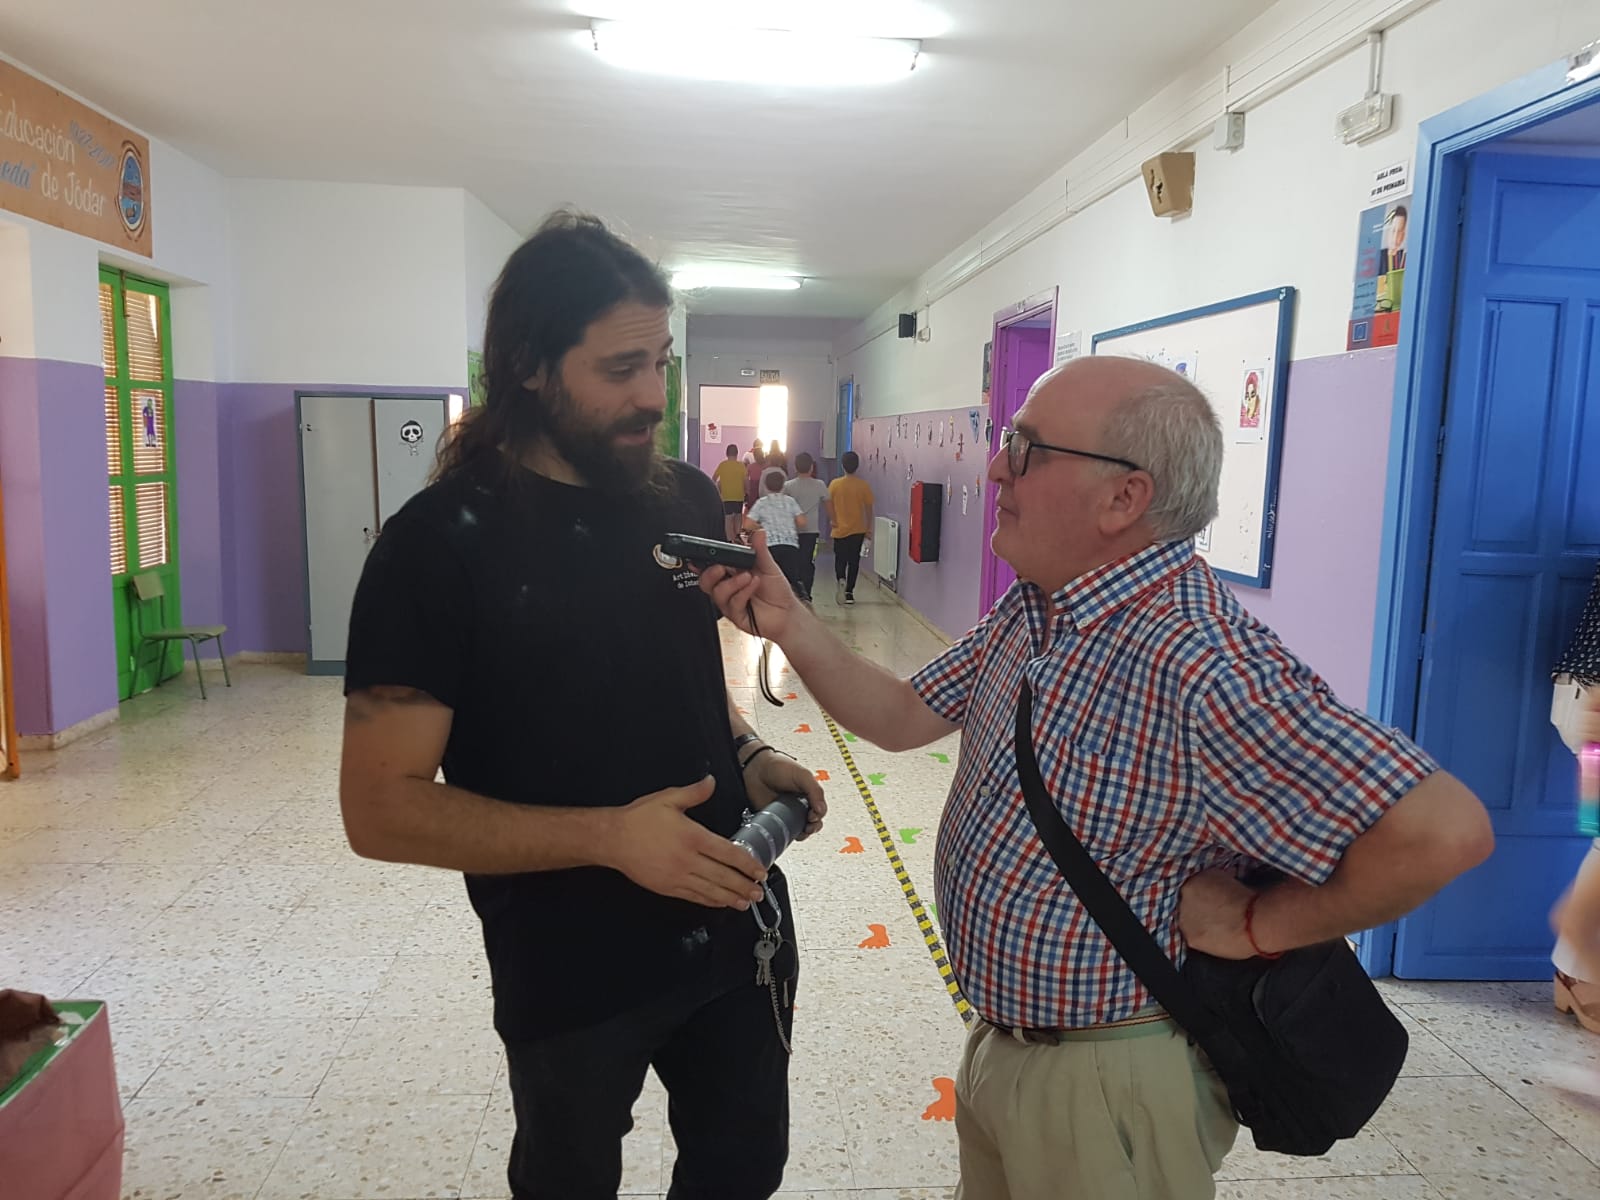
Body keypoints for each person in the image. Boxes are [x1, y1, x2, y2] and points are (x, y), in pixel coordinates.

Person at [699, 355, 1494, 1200]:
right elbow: (900, 716)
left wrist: (1268, 923)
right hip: (1010, 1048)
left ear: (1125, 498)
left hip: (1109, 1083)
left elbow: (1444, 831)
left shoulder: (1200, 663)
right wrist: (789, 622)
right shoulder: (1039, 606)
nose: (997, 465)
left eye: (1028, 448)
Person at [339, 211, 825, 1200]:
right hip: (569, 966)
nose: (653, 394)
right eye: (619, 369)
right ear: (528, 364)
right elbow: (379, 808)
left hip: (733, 926)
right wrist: (611, 838)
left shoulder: (684, 501)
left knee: (742, 1169)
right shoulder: (435, 548)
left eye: (661, 362)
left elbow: (681, 680)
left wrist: (747, 755)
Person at [746, 468, 807, 598]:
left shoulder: (761, 503)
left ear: (766, 486)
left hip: (770, 546)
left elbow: (747, 524)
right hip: (790, 545)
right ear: (783, 485)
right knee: (790, 577)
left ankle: (772, 600)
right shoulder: (790, 501)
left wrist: (762, 526)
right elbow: (802, 521)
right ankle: (799, 597)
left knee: (770, 576)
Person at [827, 450, 874, 606]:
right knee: (854, 561)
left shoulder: (835, 484)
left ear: (842, 465)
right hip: (857, 530)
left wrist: (833, 520)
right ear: (857, 466)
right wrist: (869, 529)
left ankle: (841, 578)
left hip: (839, 529)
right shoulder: (863, 486)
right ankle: (849, 592)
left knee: (840, 559)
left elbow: (829, 505)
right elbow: (868, 510)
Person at [784, 453, 830, 602]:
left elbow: (783, 507)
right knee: (808, 561)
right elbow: (828, 506)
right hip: (811, 532)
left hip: (792, 531)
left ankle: (795, 593)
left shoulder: (788, 486)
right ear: (811, 467)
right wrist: (834, 522)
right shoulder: (820, 485)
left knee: (793, 561)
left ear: (795, 467)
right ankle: (807, 593)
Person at [712, 443, 747, 542]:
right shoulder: (741, 466)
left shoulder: (722, 465)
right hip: (739, 496)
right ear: (737, 453)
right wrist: (746, 491)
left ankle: (728, 539)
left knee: (728, 518)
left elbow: (713, 478)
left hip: (726, 496)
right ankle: (738, 535)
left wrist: (718, 488)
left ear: (726, 453)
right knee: (738, 516)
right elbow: (745, 481)